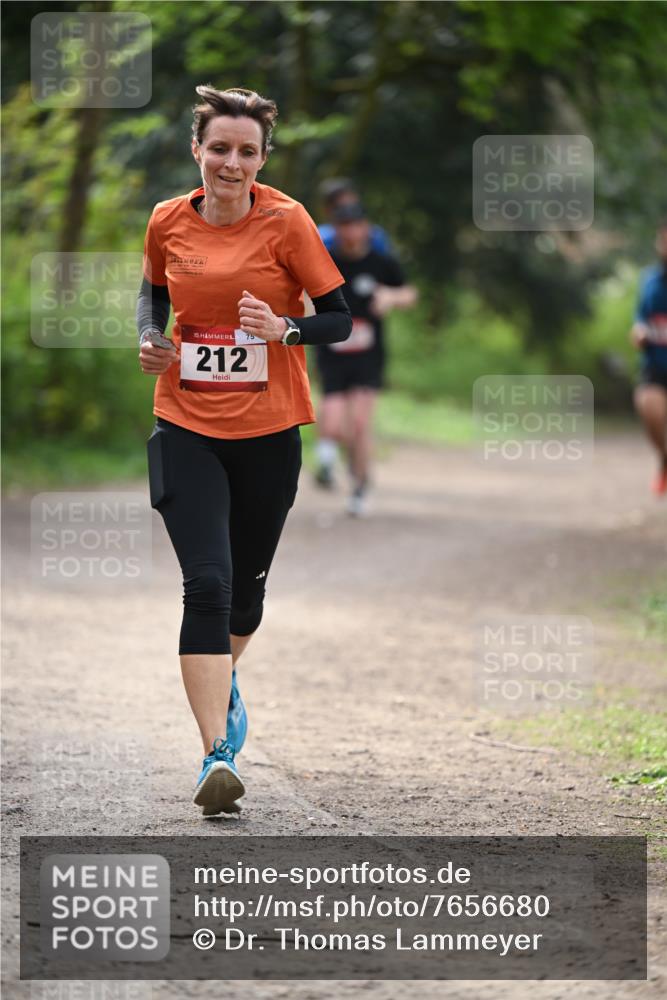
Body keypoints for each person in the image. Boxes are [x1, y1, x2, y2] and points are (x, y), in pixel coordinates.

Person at [137, 85, 351, 816]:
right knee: (207, 582)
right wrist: (150, 339)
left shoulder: (286, 221)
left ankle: (221, 683)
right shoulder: (168, 218)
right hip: (186, 423)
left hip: (267, 431)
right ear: (196, 149)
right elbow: (152, 294)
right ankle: (215, 754)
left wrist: (284, 330)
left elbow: (339, 321)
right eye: (219, 149)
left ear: (262, 159)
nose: (232, 163)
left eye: (246, 152)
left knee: (246, 596)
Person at [314, 202, 417, 515]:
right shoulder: (325, 262)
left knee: (359, 423)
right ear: (337, 229)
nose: (351, 232)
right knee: (332, 423)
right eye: (344, 226)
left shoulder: (382, 262)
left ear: (366, 228)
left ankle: (359, 486)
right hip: (332, 353)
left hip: (368, 355)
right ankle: (329, 461)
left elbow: (410, 294)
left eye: (356, 225)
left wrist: (390, 297)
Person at [630, 220, 667, 496]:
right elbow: (640, 319)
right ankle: (664, 458)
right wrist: (639, 332)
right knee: (649, 409)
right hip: (655, 364)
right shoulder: (650, 280)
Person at [317, 178, 392, 255]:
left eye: (352, 206)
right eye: (341, 209)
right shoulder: (320, 238)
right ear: (328, 210)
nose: (348, 213)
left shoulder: (376, 237)